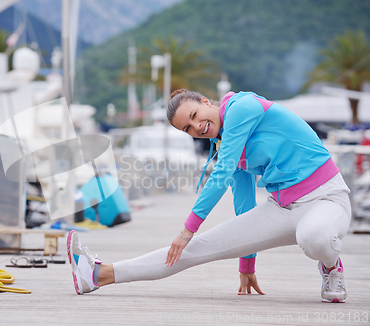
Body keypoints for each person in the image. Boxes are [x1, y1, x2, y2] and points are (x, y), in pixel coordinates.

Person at [67, 89, 351, 303]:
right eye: (187, 129)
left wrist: (187, 229)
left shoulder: (243, 107)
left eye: (194, 116)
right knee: (192, 249)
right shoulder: (228, 144)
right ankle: (99, 275)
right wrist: (247, 263)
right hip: (281, 208)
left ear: (205, 101)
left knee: (314, 237)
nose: (196, 127)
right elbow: (244, 205)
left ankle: (331, 267)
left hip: (326, 198)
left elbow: (221, 172)